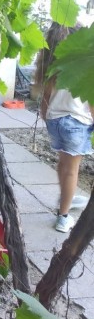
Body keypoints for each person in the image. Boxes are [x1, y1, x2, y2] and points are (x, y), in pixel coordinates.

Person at [35, 22, 94, 233]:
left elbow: (46, 97)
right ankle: (63, 217)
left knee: (63, 165)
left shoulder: (55, 65)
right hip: (76, 123)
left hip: (55, 121)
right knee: (71, 170)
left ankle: (65, 199)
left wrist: (46, 118)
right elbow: (91, 100)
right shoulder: (85, 66)